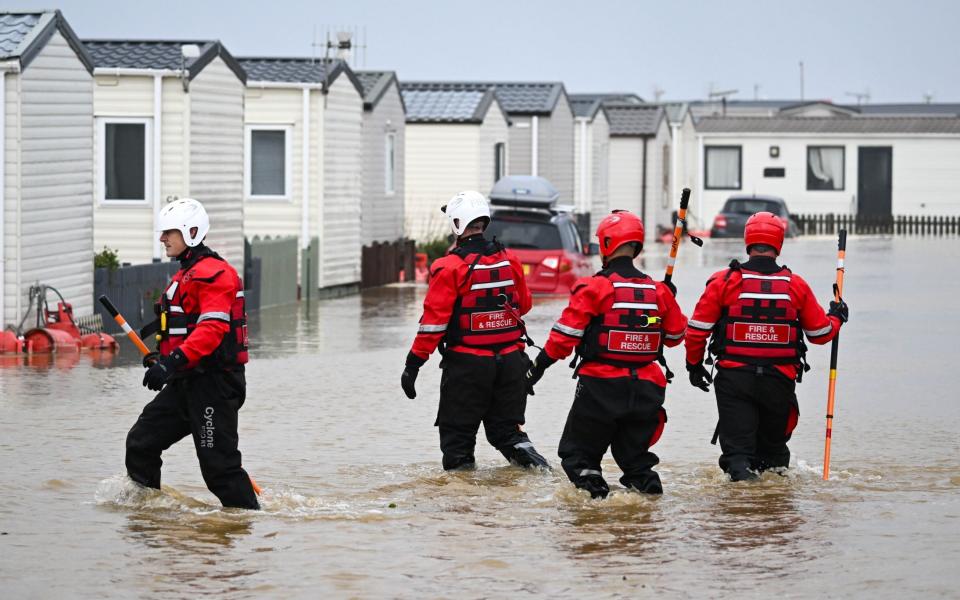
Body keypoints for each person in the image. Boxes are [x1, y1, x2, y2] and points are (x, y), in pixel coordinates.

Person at [525, 210, 688, 498]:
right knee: (636, 463)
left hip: (601, 387)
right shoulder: (658, 291)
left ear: (607, 244)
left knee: (579, 458)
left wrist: (536, 369)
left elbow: (564, 338)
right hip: (647, 389)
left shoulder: (594, 287)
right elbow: (675, 337)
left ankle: (597, 511)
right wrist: (668, 299)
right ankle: (651, 515)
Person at [684, 211, 849, 481]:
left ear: (748, 240)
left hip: (733, 379)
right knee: (773, 456)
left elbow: (697, 331)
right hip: (779, 381)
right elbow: (820, 334)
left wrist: (693, 366)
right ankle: (774, 512)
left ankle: (742, 507)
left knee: (738, 456)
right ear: (779, 243)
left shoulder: (724, 281)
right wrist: (837, 316)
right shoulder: (795, 285)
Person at [401, 191, 550, 471]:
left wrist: (413, 365)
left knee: (457, 441)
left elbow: (433, 325)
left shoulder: (448, 267)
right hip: (511, 365)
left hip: (468, 369)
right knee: (508, 434)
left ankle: (464, 506)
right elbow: (525, 305)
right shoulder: (511, 260)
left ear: (458, 224)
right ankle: (544, 476)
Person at [126, 198, 260, 509]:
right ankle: (149, 514)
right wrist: (163, 358)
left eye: (169, 233)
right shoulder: (184, 275)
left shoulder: (215, 274)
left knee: (219, 469)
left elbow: (211, 330)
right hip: (185, 383)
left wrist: (170, 364)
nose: (162, 239)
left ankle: (249, 524)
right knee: (141, 443)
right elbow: (184, 331)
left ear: (192, 232)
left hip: (214, 386)